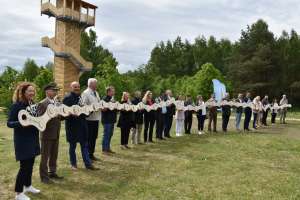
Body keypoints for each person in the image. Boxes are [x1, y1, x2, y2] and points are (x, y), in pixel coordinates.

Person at [7, 82, 41, 200]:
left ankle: (28, 186)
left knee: (30, 164)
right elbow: (9, 123)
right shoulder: (16, 106)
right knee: (24, 166)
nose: (32, 93)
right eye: (29, 91)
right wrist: (22, 123)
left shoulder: (33, 104)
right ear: (23, 92)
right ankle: (18, 193)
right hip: (22, 140)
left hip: (33, 138)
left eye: (33, 91)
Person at [63, 82, 97, 170]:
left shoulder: (80, 97)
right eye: (75, 87)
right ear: (71, 87)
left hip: (82, 125)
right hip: (72, 126)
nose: (77, 88)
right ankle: (73, 164)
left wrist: (90, 111)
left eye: (78, 87)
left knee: (84, 145)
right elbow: (64, 113)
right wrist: (71, 114)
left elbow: (84, 112)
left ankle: (88, 164)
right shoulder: (67, 98)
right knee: (72, 147)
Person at [37, 83, 63, 184]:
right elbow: (41, 120)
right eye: (54, 90)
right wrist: (51, 115)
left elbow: (59, 117)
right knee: (45, 156)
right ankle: (44, 177)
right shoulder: (42, 103)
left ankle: (52, 172)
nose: (56, 92)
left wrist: (62, 113)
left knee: (54, 155)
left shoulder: (56, 103)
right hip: (47, 134)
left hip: (56, 132)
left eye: (56, 90)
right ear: (47, 92)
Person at [82, 78, 101, 161]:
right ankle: (88, 155)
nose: (96, 85)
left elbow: (98, 102)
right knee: (89, 138)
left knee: (94, 137)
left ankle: (91, 154)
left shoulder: (96, 93)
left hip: (96, 118)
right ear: (90, 84)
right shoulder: (85, 93)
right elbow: (84, 105)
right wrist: (92, 108)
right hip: (89, 119)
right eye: (95, 83)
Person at [101, 86, 117, 154]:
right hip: (107, 120)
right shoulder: (105, 99)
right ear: (108, 92)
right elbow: (103, 109)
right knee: (106, 134)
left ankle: (107, 148)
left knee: (110, 134)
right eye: (112, 91)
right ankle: (104, 150)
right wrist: (110, 103)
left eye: (114, 91)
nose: (114, 92)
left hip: (112, 119)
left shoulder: (112, 98)